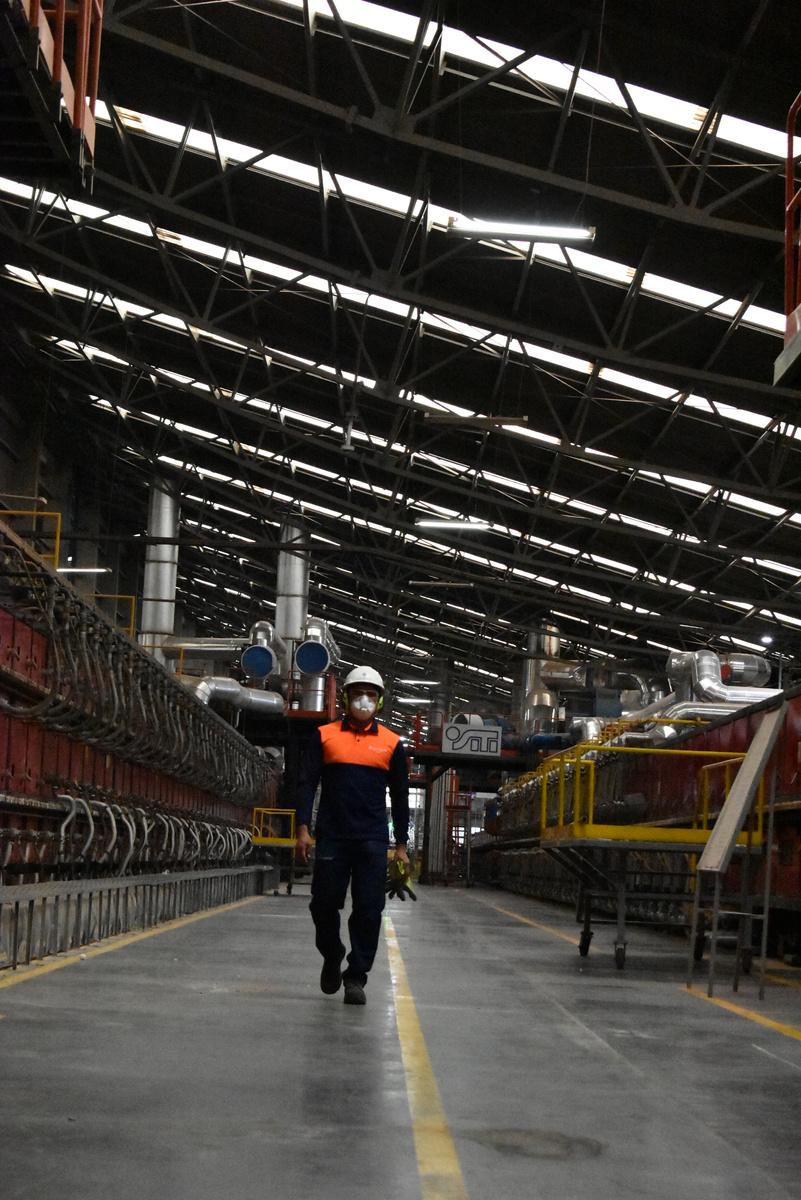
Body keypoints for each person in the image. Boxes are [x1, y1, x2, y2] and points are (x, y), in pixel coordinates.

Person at [295, 665, 410, 1006]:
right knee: (322, 904)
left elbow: (401, 797)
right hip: (332, 835)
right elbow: (307, 784)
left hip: (372, 839)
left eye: (371, 695)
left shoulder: (392, 744)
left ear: (380, 701)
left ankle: (356, 976)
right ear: (346, 698)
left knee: (369, 909)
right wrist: (303, 828)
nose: (364, 700)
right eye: (358, 693)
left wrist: (402, 846)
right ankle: (332, 954)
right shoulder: (324, 736)